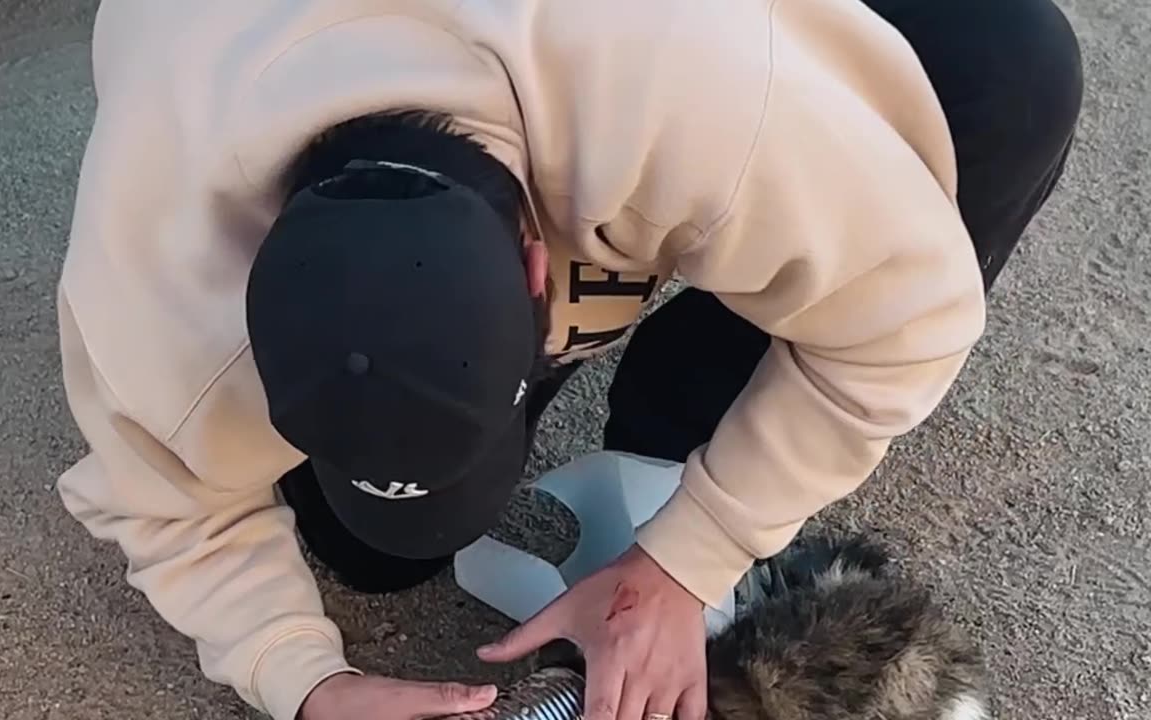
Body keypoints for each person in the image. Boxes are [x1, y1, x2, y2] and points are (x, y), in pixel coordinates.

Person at [54, 0, 1083, 718]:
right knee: (374, 551)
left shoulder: (698, 96)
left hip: (626, 53)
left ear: (538, 267)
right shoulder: (145, 275)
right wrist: (302, 680)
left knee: (1011, 66)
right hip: (230, 48)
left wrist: (692, 555)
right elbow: (162, 500)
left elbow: (909, 315)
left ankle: (680, 422)